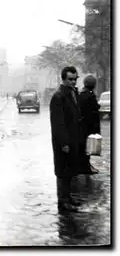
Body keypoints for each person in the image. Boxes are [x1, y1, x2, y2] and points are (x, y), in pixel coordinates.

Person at [50, 66, 82, 212]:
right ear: (63, 79)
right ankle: (63, 201)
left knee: (70, 169)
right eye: (70, 79)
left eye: (75, 79)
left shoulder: (73, 93)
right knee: (63, 171)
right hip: (63, 141)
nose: (73, 82)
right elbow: (58, 123)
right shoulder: (58, 96)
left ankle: (68, 198)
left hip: (73, 139)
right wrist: (64, 143)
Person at [78, 75, 100, 175]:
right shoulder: (90, 96)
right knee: (88, 148)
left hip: (83, 126)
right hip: (89, 126)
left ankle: (85, 165)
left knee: (85, 147)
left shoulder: (81, 94)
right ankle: (86, 167)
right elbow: (93, 110)